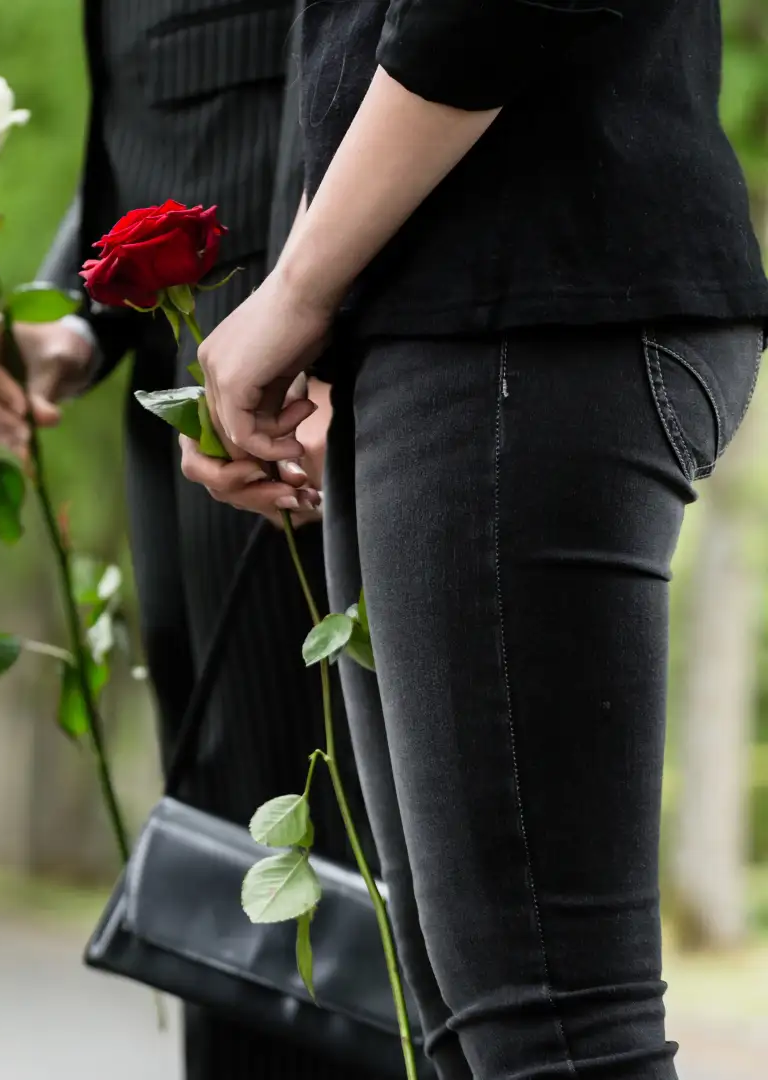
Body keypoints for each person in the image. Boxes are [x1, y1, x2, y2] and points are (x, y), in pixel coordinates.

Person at [181, 3, 767, 1077]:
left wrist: (306, 287)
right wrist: (316, 295)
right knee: (475, 1023)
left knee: (547, 1027)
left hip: (522, 303)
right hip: (449, 317)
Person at [0, 2, 392, 1077]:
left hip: (315, 403)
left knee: (353, 909)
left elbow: (375, 46)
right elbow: (156, 119)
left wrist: (336, 324)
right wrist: (82, 312)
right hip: (192, 416)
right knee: (244, 892)